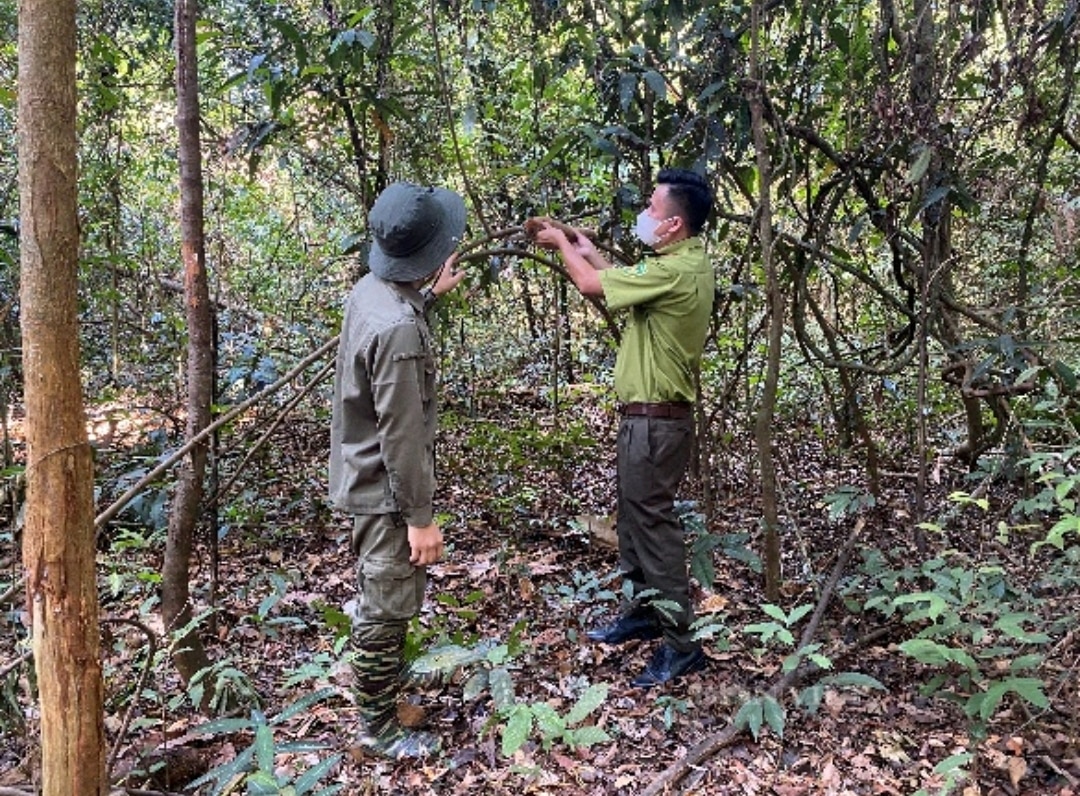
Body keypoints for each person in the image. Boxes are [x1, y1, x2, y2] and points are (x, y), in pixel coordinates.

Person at [535, 168, 714, 688]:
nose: (646, 214)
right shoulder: (678, 264)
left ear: (674, 222)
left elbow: (591, 287)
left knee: (652, 526)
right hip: (648, 420)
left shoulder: (677, 270)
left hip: (657, 423)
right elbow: (614, 281)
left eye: (653, 208)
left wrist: (558, 247)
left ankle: (681, 644)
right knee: (635, 520)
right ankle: (644, 612)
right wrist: (585, 249)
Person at [329, 181, 466, 759]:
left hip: (363, 476)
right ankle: (376, 728)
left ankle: (380, 698)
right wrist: (420, 518)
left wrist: (429, 294)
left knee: (381, 596)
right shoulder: (399, 330)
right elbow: (402, 435)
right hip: (384, 491)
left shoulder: (372, 291)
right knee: (386, 607)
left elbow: (388, 344)